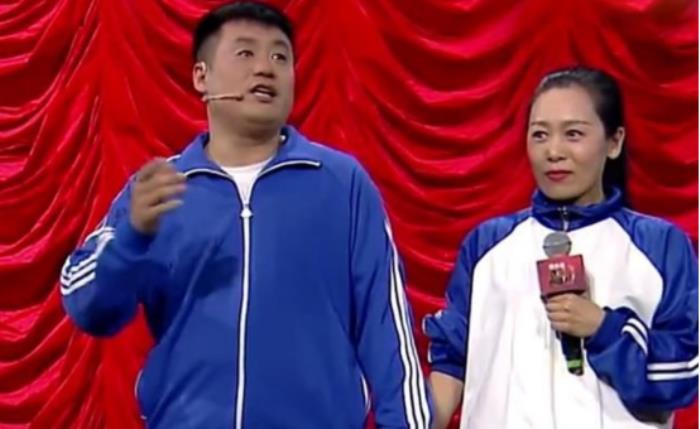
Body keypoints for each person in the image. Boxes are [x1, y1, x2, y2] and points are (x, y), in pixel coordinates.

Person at [59, 2, 431, 428]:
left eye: (280, 56)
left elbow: (388, 333)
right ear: (202, 77)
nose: (266, 68)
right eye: (245, 53)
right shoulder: (159, 191)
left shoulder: (342, 184)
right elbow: (88, 307)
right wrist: (131, 238)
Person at [424, 66, 698, 429]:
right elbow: (450, 364)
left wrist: (604, 328)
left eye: (573, 134)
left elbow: (682, 371)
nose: (553, 151)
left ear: (614, 142)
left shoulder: (660, 246)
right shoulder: (487, 246)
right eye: (540, 134)